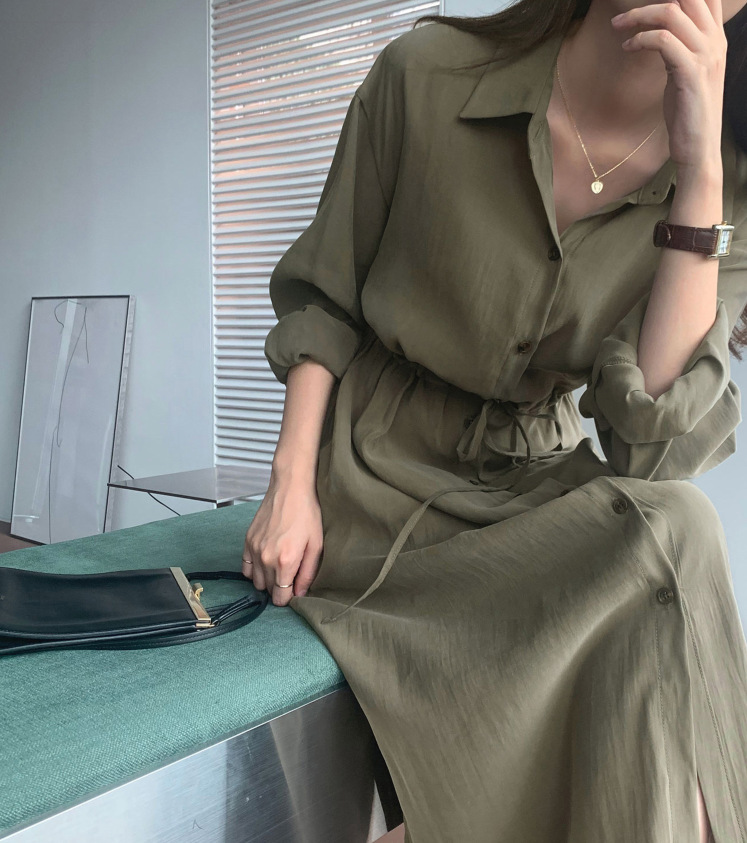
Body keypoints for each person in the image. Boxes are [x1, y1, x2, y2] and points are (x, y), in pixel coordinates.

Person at [242, 1, 747, 840]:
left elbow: (650, 451)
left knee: (671, 533)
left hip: (528, 492)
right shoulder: (426, 73)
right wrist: (288, 484)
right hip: (370, 483)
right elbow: (323, 298)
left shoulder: (729, 183)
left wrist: (697, 177)